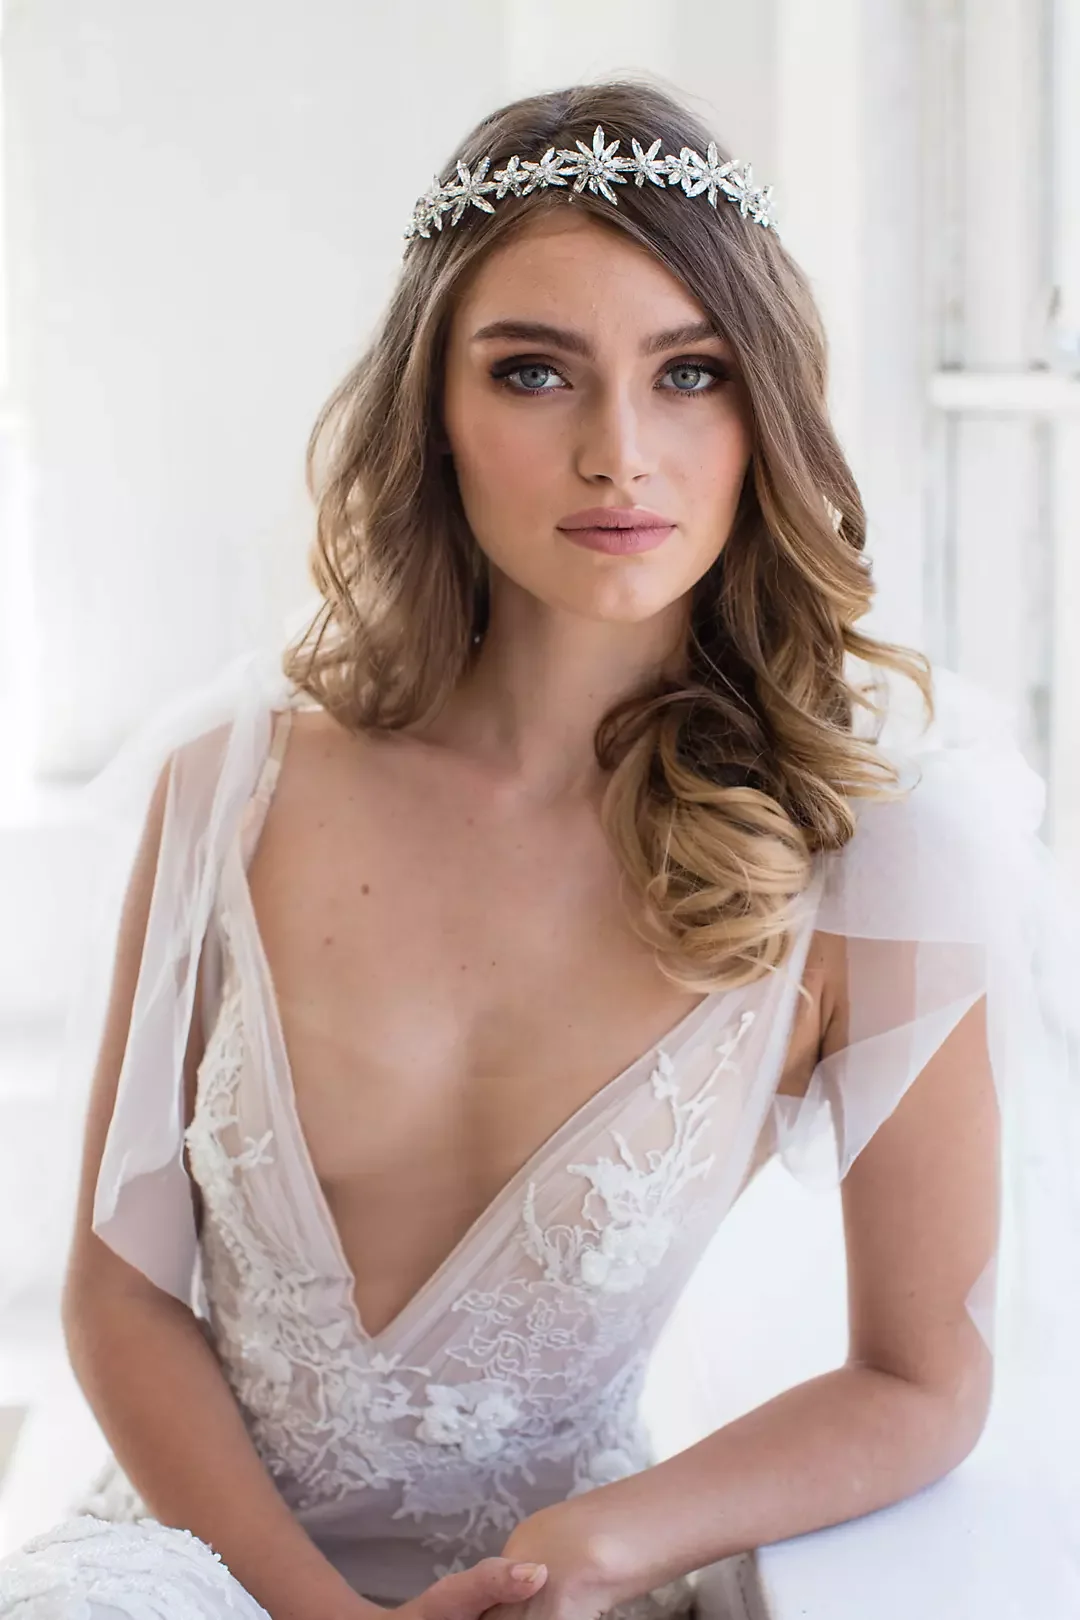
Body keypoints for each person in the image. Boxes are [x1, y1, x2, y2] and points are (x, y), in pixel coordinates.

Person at [2, 77, 1078, 1620]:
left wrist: (604, 1544)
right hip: (189, 1566)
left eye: (691, 373)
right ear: (433, 414)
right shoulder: (232, 785)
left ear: (763, 410)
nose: (619, 454)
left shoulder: (873, 852)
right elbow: (119, 1290)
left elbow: (922, 1378)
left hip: (547, 1592)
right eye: (534, 374)